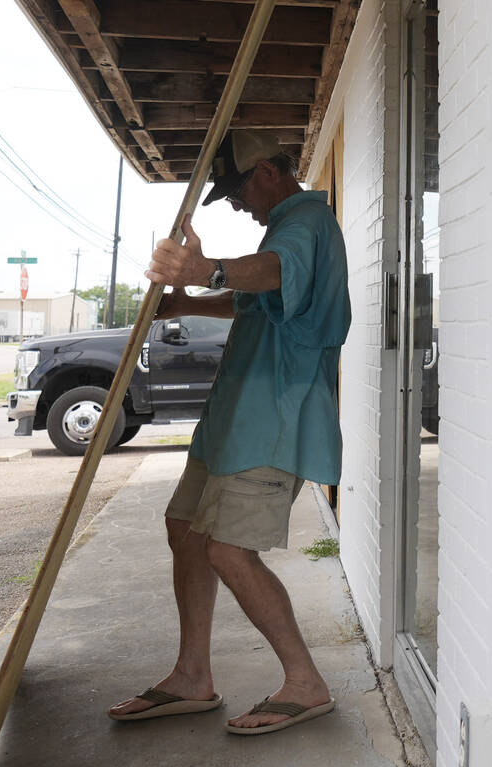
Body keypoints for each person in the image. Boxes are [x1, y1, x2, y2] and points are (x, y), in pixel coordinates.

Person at [107, 130, 351, 735]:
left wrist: (208, 265)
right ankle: (192, 676)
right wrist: (184, 302)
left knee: (228, 549)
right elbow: (255, 298)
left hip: (273, 420)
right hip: (235, 419)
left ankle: (305, 682)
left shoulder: (305, 226)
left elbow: (271, 272)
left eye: (239, 190)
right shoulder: (282, 230)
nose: (237, 204)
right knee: (185, 528)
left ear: (269, 172)